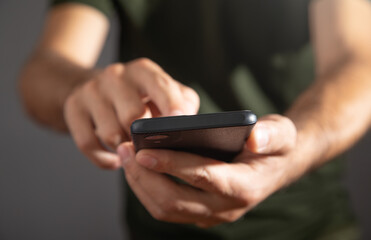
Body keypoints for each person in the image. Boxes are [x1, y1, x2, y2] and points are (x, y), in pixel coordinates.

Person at [18, 0, 371, 239]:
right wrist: (84, 90)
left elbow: (357, 59)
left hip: (312, 225)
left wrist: (296, 151)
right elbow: (44, 69)